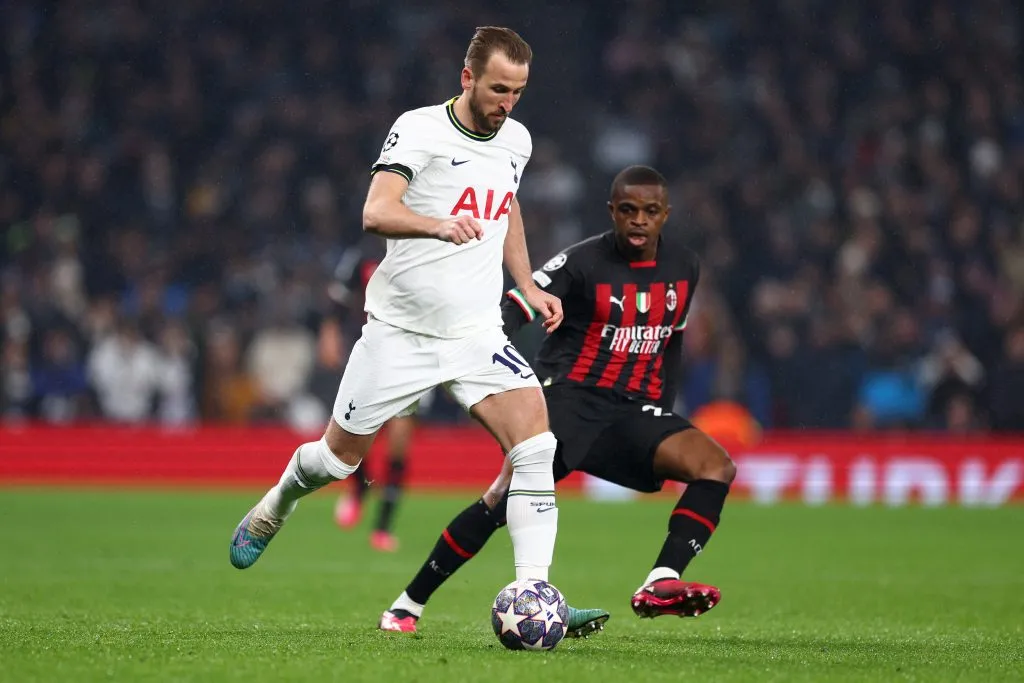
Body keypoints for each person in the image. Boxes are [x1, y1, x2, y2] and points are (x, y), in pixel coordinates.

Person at [229, 28, 567, 612]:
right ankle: (277, 503)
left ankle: (533, 591)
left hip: (475, 333)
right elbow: (376, 211)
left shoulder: (517, 141)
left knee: (536, 448)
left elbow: (506, 203)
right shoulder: (420, 129)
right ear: (467, 78)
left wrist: (527, 282)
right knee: (336, 461)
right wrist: (438, 225)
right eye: (497, 89)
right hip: (400, 333)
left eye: (518, 91)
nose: (507, 103)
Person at [378, 165, 737, 634]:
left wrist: (663, 411)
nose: (639, 220)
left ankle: (660, 580)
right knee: (499, 503)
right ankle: (406, 606)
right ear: (612, 211)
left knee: (715, 467)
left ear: (665, 215)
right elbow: (513, 309)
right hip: (567, 403)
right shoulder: (581, 262)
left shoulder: (684, 267)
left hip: (631, 411)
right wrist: (490, 374)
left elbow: (672, 343)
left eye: (650, 211)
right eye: (628, 210)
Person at [328, 237, 429, 552]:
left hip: (411, 358)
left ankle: (383, 528)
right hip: (370, 354)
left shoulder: (423, 249)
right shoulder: (363, 254)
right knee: (357, 434)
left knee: (399, 443)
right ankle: (360, 487)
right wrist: (329, 332)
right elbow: (338, 296)